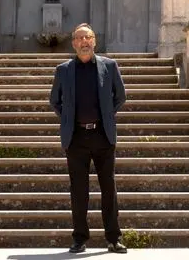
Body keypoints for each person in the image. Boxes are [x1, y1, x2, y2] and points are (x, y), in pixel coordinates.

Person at [49, 23, 127, 254]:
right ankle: (79, 238)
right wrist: (68, 118)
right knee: (79, 191)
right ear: (74, 43)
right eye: (80, 38)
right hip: (76, 137)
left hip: (103, 135)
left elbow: (120, 96)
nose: (84, 42)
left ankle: (113, 238)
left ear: (94, 41)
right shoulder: (63, 70)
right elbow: (55, 100)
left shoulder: (109, 66)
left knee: (108, 189)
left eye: (88, 37)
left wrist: (106, 115)